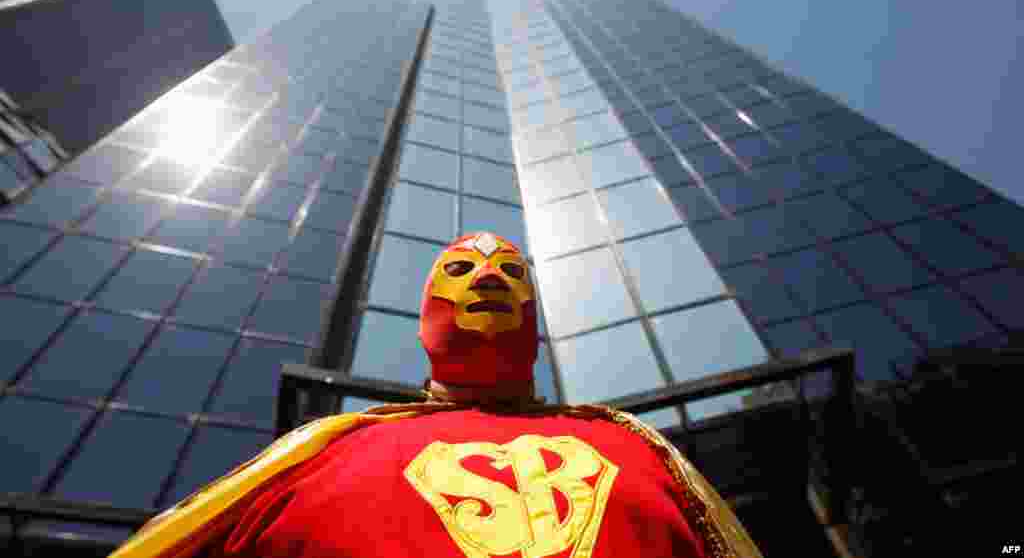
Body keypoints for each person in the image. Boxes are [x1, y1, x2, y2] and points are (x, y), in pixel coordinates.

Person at [111, 232, 763, 558]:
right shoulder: (319, 453)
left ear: (536, 312)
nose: (488, 276)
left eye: (511, 271)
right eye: (462, 268)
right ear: (426, 311)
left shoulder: (638, 449)